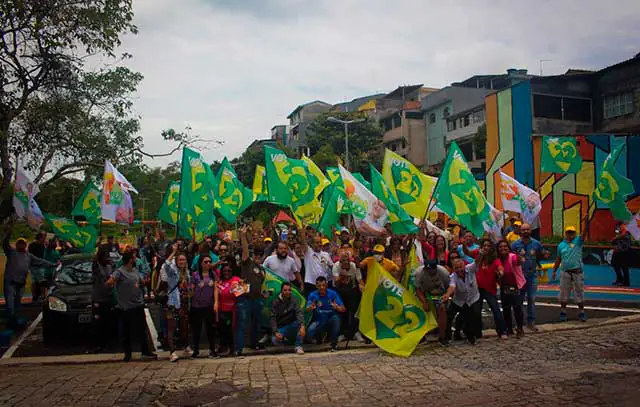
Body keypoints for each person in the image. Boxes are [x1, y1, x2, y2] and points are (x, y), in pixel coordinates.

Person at [106, 250, 157, 362]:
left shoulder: (135, 271)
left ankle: (145, 351)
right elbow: (110, 282)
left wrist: (145, 281)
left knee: (141, 329)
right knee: (126, 331)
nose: (136, 260)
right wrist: (113, 285)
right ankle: (127, 353)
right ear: (130, 260)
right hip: (125, 307)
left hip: (137, 304)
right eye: (134, 258)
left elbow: (141, 281)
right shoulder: (120, 272)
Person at [3, 228, 57, 327]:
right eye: (19, 243)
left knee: (17, 303)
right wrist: (8, 232)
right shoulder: (12, 253)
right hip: (10, 282)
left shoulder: (28, 256)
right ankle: (11, 321)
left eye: (23, 243)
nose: (21, 245)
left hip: (21, 283)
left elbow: (41, 261)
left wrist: (53, 264)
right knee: (10, 303)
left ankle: (15, 321)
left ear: (25, 245)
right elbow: (5, 244)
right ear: (16, 245)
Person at [158, 247, 192, 362]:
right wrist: (173, 252)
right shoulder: (172, 271)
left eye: (184, 260)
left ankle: (185, 346)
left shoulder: (187, 272)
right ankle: (172, 352)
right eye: (180, 260)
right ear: (176, 262)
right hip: (171, 302)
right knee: (171, 327)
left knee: (184, 326)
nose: (182, 262)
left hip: (183, 302)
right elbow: (166, 264)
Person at [236, 226, 266, 354]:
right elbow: (245, 253)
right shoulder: (247, 263)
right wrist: (243, 237)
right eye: (256, 254)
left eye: (260, 254)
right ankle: (238, 349)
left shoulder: (263, 270)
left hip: (257, 299)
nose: (258, 256)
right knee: (242, 324)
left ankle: (254, 344)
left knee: (256, 324)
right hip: (245, 298)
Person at [511, 223, 545, 331]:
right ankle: (519, 324)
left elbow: (540, 254)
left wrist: (542, 256)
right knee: (518, 301)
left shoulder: (536, 244)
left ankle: (531, 322)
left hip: (532, 276)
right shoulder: (515, 244)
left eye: (527, 229)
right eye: (523, 230)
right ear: (520, 231)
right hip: (519, 277)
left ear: (530, 231)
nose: (525, 231)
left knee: (532, 299)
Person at [443, 258, 482, 345]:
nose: (459, 270)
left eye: (461, 267)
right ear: (453, 269)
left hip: (473, 298)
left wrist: (481, 254)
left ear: (464, 266)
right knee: (449, 316)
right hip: (458, 300)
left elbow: (478, 261)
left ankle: (470, 336)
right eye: (456, 268)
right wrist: (448, 295)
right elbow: (452, 287)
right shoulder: (453, 277)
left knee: (473, 316)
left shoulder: (471, 268)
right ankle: (447, 337)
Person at [552, 226, 587, 322]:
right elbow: (558, 258)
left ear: (575, 234)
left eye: (572, 232)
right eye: (568, 232)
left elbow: (584, 233)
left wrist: (587, 221)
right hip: (565, 272)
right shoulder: (561, 245)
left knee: (579, 293)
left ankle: (581, 312)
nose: (570, 234)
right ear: (565, 233)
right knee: (563, 293)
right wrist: (554, 270)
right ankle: (563, 311)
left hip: (577, 272)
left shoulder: (578, 242)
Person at [475, 238, 507, 339]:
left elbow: (500, 268)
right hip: (478, 288)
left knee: (496, 310)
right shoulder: (479, 257)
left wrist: (500, 273)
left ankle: (502, 331)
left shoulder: (495, 259)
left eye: (488, 246)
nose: (486, 247)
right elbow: (475, 264)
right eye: (484, 245)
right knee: (476, 311)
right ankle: (477, 332)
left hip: (490, 289)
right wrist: (480, 254)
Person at [415, 260, 450, 346]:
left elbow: (448, 286)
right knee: (419, 310)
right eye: (428, 270)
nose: (430, 272)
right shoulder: (419, 273)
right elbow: (418, 290)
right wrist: (424, 302)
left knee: (442, 310)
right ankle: (422, 335)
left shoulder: (443, 273)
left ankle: (442, 336)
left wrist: (446, 296)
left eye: (432, 270)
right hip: (426, 293)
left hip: (440, 293)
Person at [306, 276, 346, 351]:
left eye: (323, 285)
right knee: (309, 332)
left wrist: (337, 307)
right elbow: (307, 309)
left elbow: (343, 309)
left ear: (326, 285)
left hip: (331, 317)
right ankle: (320, 337)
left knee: (336, 319)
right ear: (316, 286)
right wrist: (311, 307)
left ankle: (334, 343)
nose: (321, 287)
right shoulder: (312, 295)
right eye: (319, 286)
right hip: (319, 319)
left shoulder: (333, 293)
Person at [190, 255, 219, 359]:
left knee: (210, 328)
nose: (208, 264)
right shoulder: (195, 275)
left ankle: (212, 349)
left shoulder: (213, 274)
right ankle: (196, 350)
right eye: (205, 262)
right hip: (197, 305)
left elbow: (215, 288)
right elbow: (192, 289)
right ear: (201, 263)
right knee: (197, 328)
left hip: (209, 305)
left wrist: (216, 302)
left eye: (209, 262)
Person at [496, 240, 526, 338]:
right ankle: (509, 328)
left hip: (515, 286)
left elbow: (518, 261)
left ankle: (520, 328)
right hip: (504, 286)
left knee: (517, 307)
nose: (503, 248)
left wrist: (520, 258)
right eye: (500, 247)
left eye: (505, 246)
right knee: (506, 309)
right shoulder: (497, 259)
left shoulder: (512, 256)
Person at [332, 252, 363, 341]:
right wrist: (342, 276)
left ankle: (356, 332)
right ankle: (342, 334)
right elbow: (336, 281)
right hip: (339, 291)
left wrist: (362, 286)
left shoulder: (354, 266)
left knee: (354, 312)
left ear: (349, 261)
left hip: (352, 291)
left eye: (346, 261)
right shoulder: (336, 266)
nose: (345, 263)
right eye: (342, 261)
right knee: (342, 312)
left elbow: (359, 279)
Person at [271, 282, 306, 355]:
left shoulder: (294, 299)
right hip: (282, 327)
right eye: (285, 290)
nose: (288, 292)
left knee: (301, 325)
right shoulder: (275, 302)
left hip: (293, 324)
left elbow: (299, 312)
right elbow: (273, 318)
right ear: (281, 291)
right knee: (274, 340)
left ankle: (298, 346)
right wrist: (275, 332)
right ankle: (285, 341)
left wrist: (302, 325)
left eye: (289, 290)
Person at [216, 259, 241, 356]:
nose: (226, 273)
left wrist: (236, 289)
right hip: (221, 310)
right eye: (224, 271)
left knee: (230, 330)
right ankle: (224, 347)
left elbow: (242, 292)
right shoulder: (220, 281)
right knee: (222, 330)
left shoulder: (235, 280)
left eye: (229, 271)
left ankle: (232, 348)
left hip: (232, 310)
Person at [92, 248, 115, 353]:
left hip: (108, 297)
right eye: (105, 257)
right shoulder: (97, 267)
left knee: (108, 321)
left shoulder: (109, 267)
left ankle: (108, 343)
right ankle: (98, 344)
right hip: (99, 297)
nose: (107, 259)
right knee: (98, 322)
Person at [612, 222, 633, 286]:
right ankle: (620, 279)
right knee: (614, 264)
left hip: (624, 251)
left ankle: (626, 282)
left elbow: (623, 236)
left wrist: (616, 237)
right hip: (617, 251)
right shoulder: (620, 232)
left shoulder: (627, 232)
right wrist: (615, 239)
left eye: (622, 225)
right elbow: (615, 241)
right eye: (620, 226)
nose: (620, 227)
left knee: (624, 267)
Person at [28, 232, 47, 302]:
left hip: (32, 266)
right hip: (39, 266)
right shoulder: (41, 245)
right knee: (42, 282)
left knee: (34, 282)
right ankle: (43, 296)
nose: (44, 239)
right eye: (43, 237)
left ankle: (34, 296)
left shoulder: (32, 245)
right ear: (40, 238)